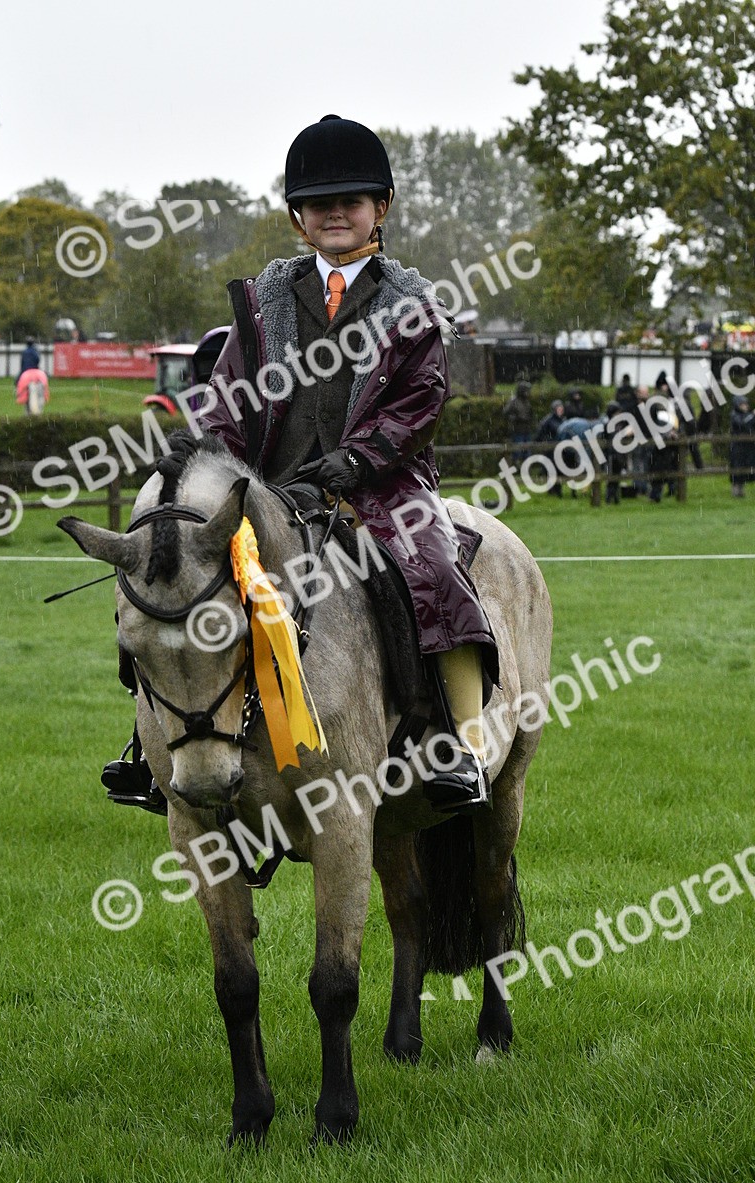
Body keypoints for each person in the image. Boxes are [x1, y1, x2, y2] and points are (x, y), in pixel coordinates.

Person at [105, 115, 499, 814]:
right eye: (321, 204)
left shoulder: (413, 306)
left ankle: (457, 745)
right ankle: (149, 752)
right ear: (298, 218)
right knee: (165, 574)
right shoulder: (263, 304)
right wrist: (210, 462)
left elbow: (420, 403)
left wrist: (360, 458)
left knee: (434, 572)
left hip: (379, 487)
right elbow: (227, 399)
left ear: (380, 209)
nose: (336, 213)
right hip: (267, 489)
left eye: (352, 201)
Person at [534, 400, 565, 496]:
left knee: (559, 468)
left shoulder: (563, 420)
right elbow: (540, 433)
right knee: (550, 469)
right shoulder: (548, 420)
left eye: (561, 408)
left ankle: (558, 490)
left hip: (559, 448)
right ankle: (551, 490)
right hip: (550, 448)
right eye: (558, 408)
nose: (560, 410)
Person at [502, 379, 534, 461]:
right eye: (526, 391)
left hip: (526, 428)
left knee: (527, 450)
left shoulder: (527, 402)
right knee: (517, 450)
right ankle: (517, 466)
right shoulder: (513, 401)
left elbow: (530, 413)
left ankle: (526, 466)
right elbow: (505, 413)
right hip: (517, 429)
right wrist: (515, 418)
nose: (528, 393)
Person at [730, 396, 755, 497]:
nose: (745, 406)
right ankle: (737, 490)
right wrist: (752, 416)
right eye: (742, 404)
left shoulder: (748, 415)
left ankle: (742, 489)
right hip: (738, 447)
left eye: (746, 404)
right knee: (738, 467)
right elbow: (742, 424)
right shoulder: (734, 415)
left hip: (749, 447)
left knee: (749, 466)